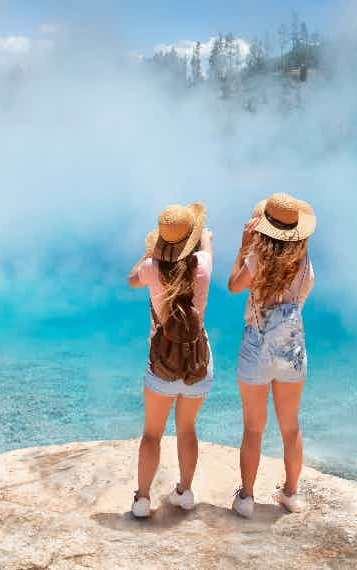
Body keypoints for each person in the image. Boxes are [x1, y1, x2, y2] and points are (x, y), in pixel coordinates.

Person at [226, 192, 316, 517]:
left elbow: (234, 286)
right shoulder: (303, 261)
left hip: (256, 345)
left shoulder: (257, 258)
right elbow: (305, 291)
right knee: (290, 427)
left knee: (253, 427)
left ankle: (247, 497)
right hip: (291, 348)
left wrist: (243, 247)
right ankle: (291, 494)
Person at [127, 203, 214, 519]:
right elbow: (207, 243)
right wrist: (202, 234)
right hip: (196, 362)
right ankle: (185, 491)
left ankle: (142, 498)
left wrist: (149, 250)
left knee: (152, 434)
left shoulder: (151, 268)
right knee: (187, 428)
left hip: (160, 365)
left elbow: (131, 279)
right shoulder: (203, 265)